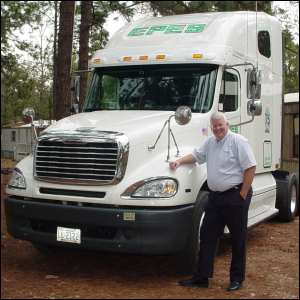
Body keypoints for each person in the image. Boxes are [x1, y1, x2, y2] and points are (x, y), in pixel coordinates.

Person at [169, 111, 257, 292]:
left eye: (220, 125)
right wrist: (179, 161)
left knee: (238, 239)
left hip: (235, 196)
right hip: (215, 198)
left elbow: (250, 167)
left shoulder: (238, 142)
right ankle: (202, 277)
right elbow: (196, 155)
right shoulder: (211, 142)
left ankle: (236, 279)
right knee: (207, 236)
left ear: (227, 124)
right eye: (214, 126)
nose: (217, 129)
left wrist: (243, 193)